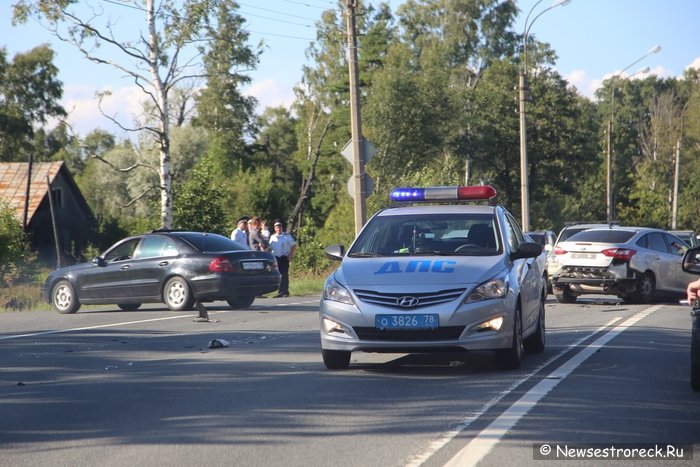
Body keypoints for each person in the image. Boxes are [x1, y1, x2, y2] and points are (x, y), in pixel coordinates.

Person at [268, 219, 296, 298]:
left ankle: (285, 291)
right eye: (277, 227)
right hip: (276, 257)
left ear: (282, 228)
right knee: (278, 275)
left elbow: (293, 245)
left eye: (280, 227)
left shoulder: (286, 236)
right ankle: (280, 291)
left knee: (284, 274)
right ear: (274, 228)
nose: (278, 228)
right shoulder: (273, 237)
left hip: (284, 257)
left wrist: (290, 255)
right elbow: (270, 247)